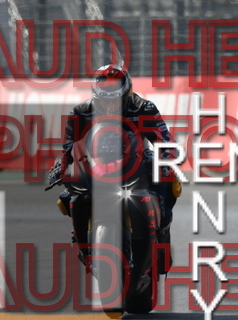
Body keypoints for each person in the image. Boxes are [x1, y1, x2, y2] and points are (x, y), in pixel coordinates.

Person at [48, 64, 177, 273]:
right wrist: (61, 167)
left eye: (116, 101)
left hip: (137, 159)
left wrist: (166, 160)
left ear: (127, 94)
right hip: (96, 162)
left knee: (168, 183)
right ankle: (81, 241)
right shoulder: (81, 112)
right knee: (71, 194)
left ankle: (163, 231)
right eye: (104, 101)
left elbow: (164, 140)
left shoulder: (144, 108)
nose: (110, 106)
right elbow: (68, 147)